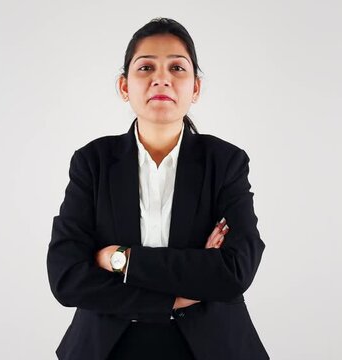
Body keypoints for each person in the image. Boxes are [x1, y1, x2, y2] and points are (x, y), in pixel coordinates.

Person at [47, 17, 269, 360]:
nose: (161, 78)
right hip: (107, 347)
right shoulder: (93, 162)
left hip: (210, 347)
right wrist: (182, 293)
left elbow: (235, 270)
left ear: (195, 88)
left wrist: (119, 259)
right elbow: (67, 277)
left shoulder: (225, 162)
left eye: (177, 68)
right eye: (145, 67)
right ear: (125, 87)